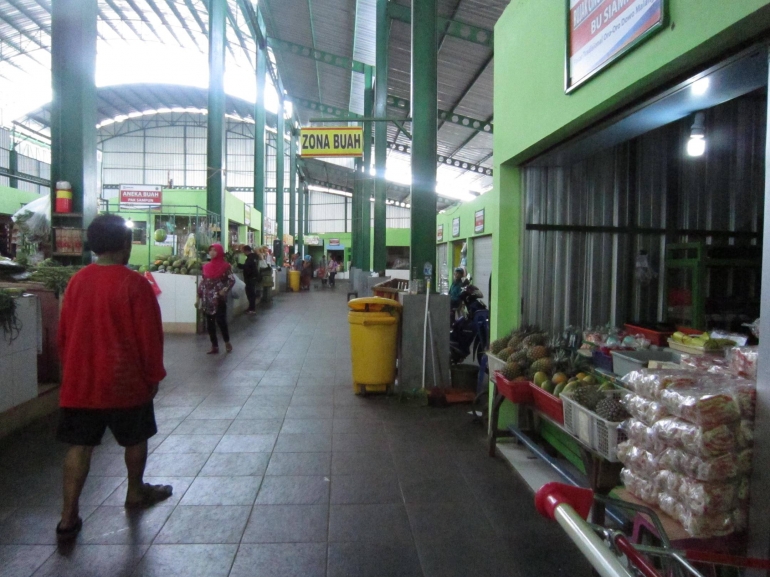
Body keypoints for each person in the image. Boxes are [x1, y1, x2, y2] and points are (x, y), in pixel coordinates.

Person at [55, 214, 171, 542]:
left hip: (82, 382)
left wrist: (71, 370)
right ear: (124, 244)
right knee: (135, 439)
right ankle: (135, 491)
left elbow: (64, 334)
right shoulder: (134, 284)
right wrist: (153, 376)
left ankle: (68, 515)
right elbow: (149, 337)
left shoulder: (77, 282)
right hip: (125, 380)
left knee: (80, 446)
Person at [197, 244, 236, 354]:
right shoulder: (206, 267)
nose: (212, 252)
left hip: (218, 298)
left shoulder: (226, 266)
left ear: (220, 252)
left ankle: (227, 341)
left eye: (215, 250)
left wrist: (224, 290)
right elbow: (203, 282)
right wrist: (198, 295)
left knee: (221, 321)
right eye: (211, 250)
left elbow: (231, 280)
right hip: (207, 298)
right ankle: (214, 346)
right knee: (210, 323)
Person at [238, 245, 259, 314]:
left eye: (243, 250)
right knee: (251, 293)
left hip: (250, 278)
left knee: (250, 293)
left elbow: (246, 267)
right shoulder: (253, 257)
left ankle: (252, 309)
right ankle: (251, 308)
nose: (243, 252)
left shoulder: (250, 258)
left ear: (246, 251)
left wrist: (239, 265)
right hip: (252, 278)